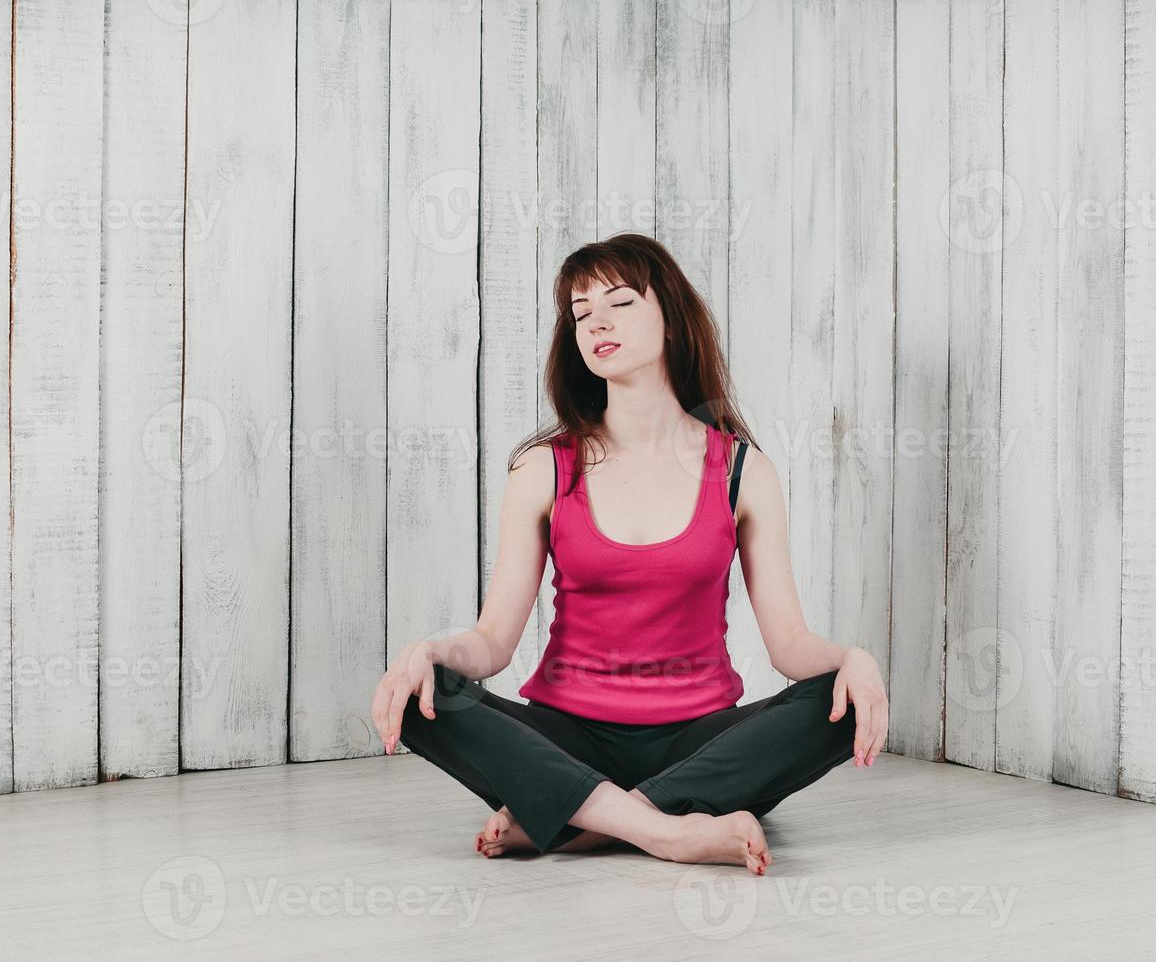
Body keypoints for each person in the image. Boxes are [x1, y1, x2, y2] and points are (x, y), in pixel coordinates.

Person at [368, 232, 889, 876]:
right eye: (581, 313)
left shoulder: (741, 471)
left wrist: (852, 660)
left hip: (700, 740)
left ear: (671, 318)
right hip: (563, 738)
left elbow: (789, 646)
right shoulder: (544, 468)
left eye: (618, 302)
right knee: (428, 698)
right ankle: (667, 831)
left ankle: (578, 822)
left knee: (835, 704)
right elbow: (492, 642)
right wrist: (434, 653)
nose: (597, 323)